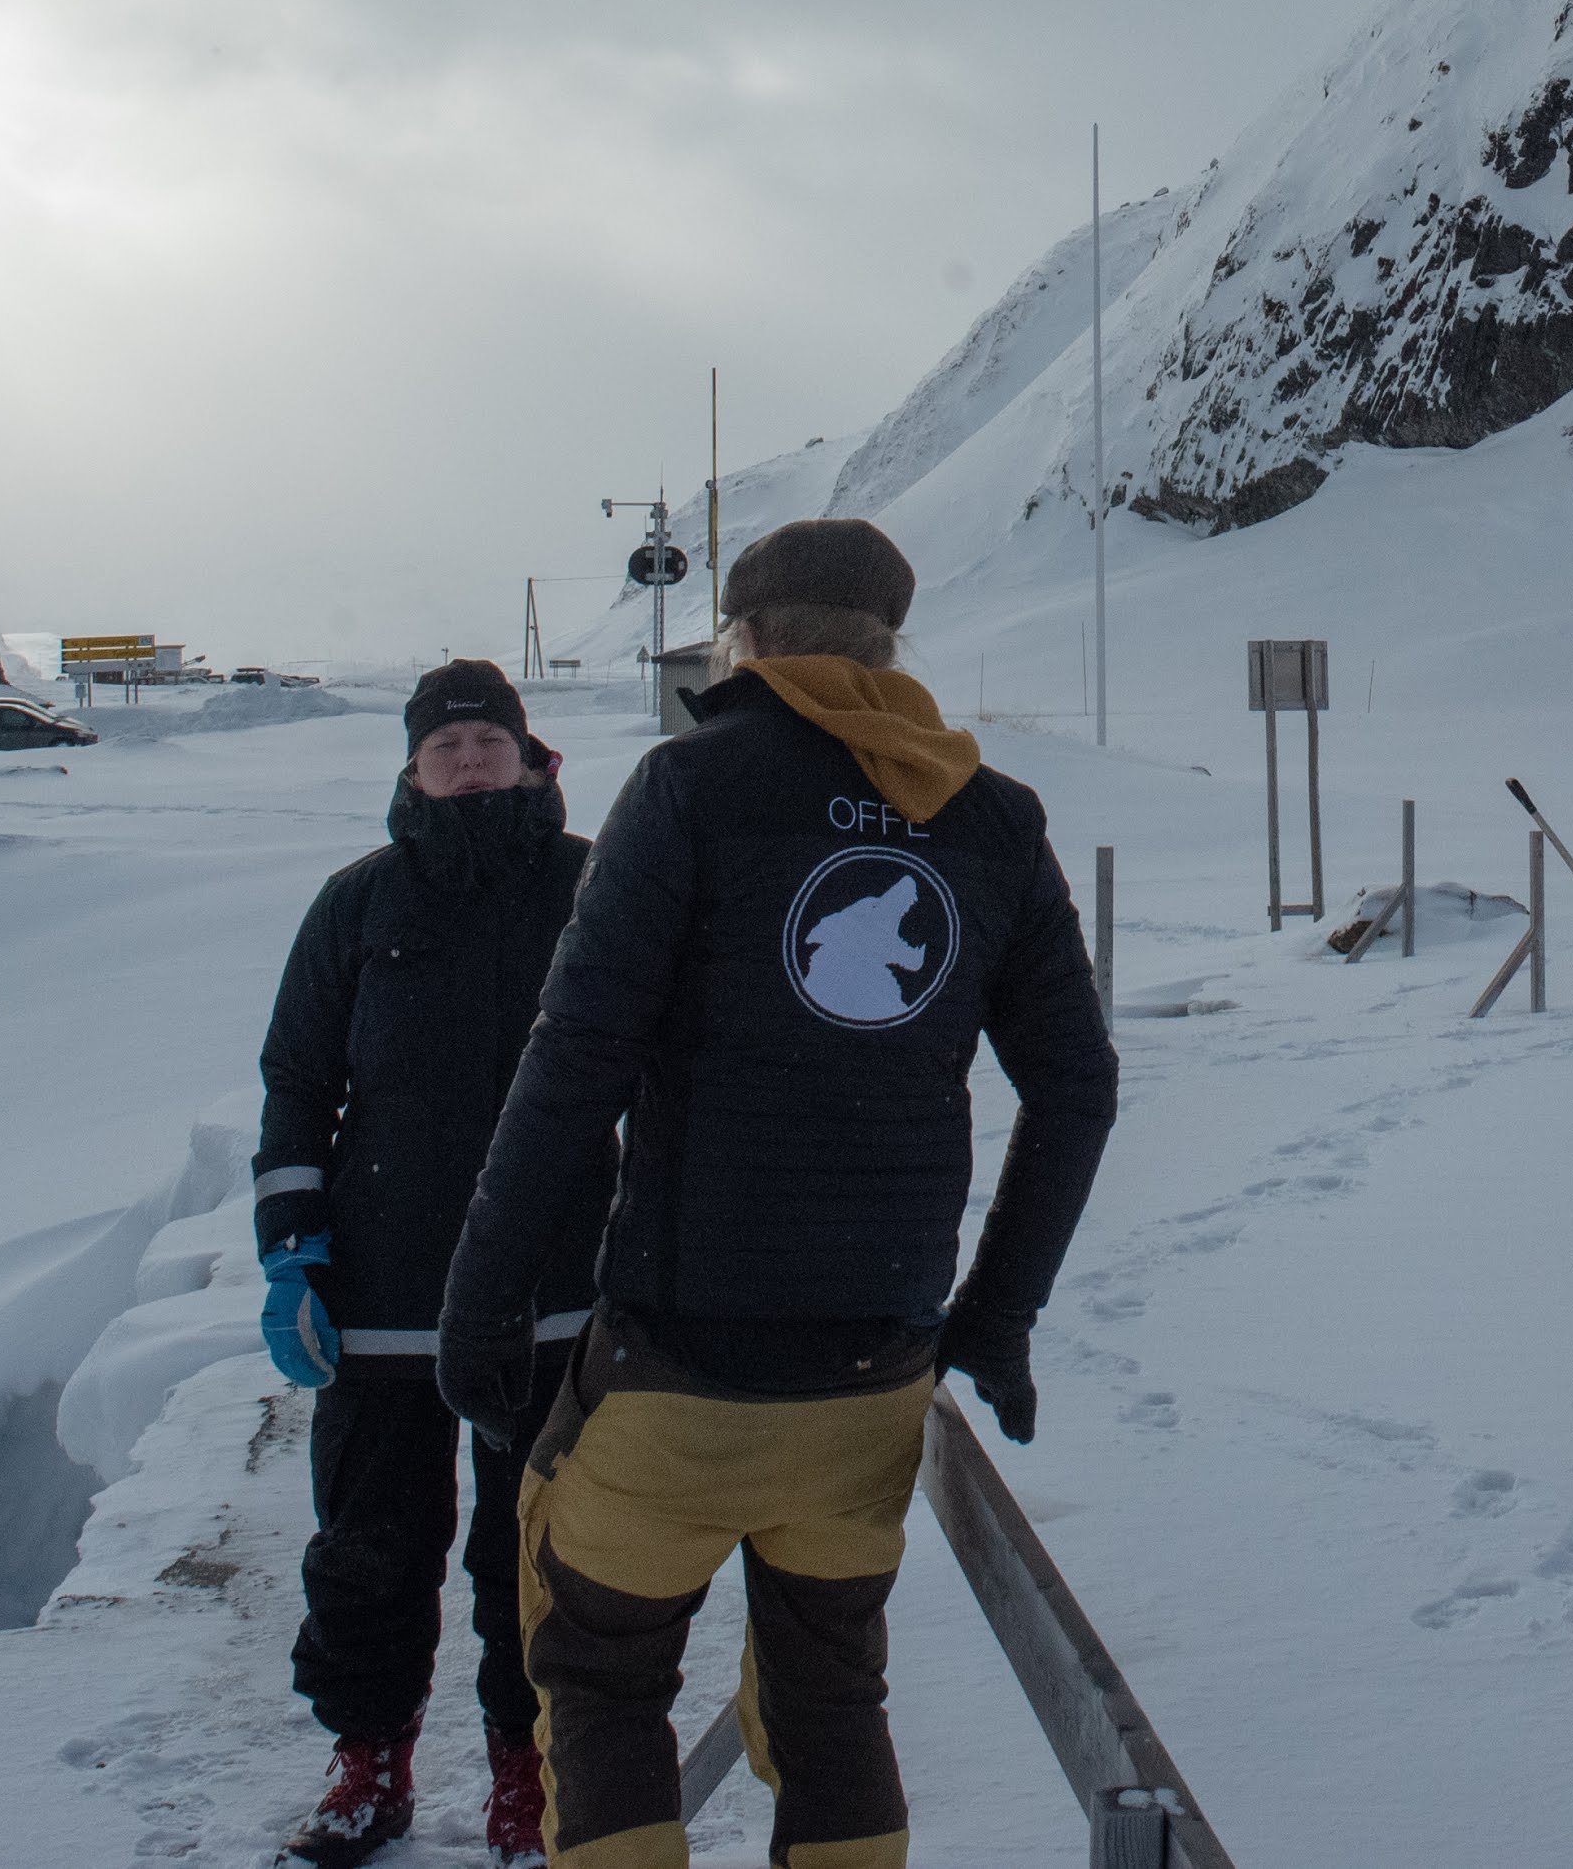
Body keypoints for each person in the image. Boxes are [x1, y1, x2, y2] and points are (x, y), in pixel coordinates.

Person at [437, 515, 1116, 1869]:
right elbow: (1076, 1086)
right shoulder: (988, 815)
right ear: (889, 640)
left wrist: (482, 1293)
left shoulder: (691, 787)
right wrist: (994, 1315)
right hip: (869, 1385)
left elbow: (578, 1059)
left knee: (606, 1683)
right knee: (830, 1702)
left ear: (742, 640)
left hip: (673, 1370)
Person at [253, 659, 592, 1869]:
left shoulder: (592, 882)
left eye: (484, 742)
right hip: (383, 1305)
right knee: (366, 1548)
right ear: (410, 770)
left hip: (552, 1301)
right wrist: (291, 1250)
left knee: (534, 1555)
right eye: (441, 747)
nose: (464, 761)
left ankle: (524, 1771)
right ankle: (369, 1765)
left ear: (525, 752)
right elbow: (297, 1082)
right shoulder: (357, 902)